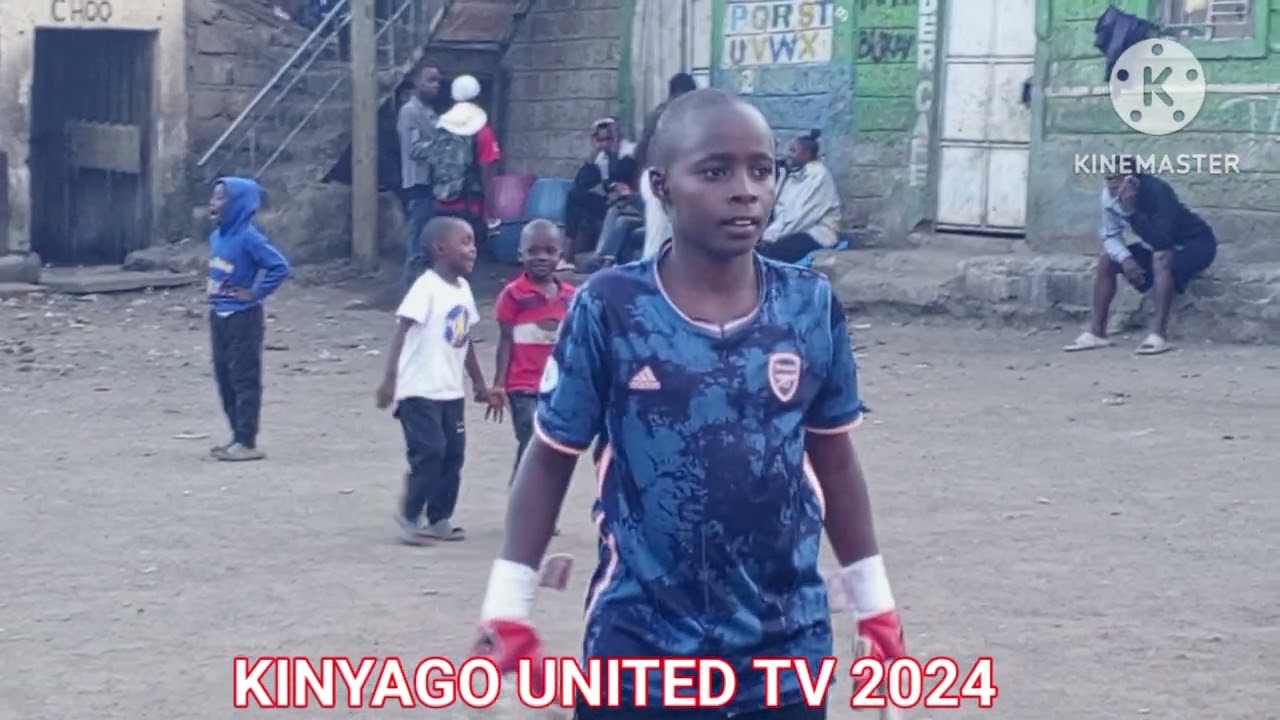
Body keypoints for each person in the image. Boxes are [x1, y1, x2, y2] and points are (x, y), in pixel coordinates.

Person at [473, 89, 905, 717]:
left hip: (785, 651)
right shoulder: (611, 308)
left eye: (762, 169)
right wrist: (507, 607)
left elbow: (834, 461)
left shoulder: (808, 306)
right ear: (661, 185)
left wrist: (877, 608)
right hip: (639, 653)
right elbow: (549, 457)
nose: (745, 190)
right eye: (714, 170)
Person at [376, 216, 503, 545]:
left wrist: (479, 385)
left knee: (453, 455)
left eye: (473, 242)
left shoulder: (463, 290)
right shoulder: (426, 288)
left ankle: (439, 517)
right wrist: (390, 381)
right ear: (440, 248)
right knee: (430, 452)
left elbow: (465, 340)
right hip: (419, 390)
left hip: (450, 392)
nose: (473, 249)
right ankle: (409, 515)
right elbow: (401, 331)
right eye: (465, 242)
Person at [1064, 165, 1217, 355]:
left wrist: (1132, 211)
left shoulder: (1159, 192)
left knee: (1161, 257)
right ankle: (1097, 332)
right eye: (1108, 178)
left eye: (1117, 179)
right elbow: (1110, 236)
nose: (1112, 184)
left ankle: (1158, 335)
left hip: (1195, 245)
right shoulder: (1109, 198)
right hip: (1158, 247)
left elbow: (1163, 239)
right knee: (1108, 261)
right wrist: (1126, 258)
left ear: (1132, 180)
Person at [206, 177, 291, 462]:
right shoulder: (217, 236)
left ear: (238, 205)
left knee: (244, 377)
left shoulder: (250, 238)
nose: (213, 203)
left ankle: (247, 440)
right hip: (218, 314)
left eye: (220, 198)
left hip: (243, 317)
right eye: (213, 197)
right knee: (224, 375)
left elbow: (279, 266)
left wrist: (255, 294)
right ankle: (235, 437)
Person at [493, 219, 576, 482]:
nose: (541, 257)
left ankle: (535, 505)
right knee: (531, 439)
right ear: (520, 254)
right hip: (523, 385)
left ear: (561, 256)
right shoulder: (513, 295)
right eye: (533, 251)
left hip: (557, 386)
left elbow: (575, 343)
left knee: (553, 445)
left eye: (549, 251)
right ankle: (523, 499)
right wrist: (498, 385)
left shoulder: (572, 297)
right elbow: (505, 341)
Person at [635, 72, 698, 259]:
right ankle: (651, 274)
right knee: (659, 233)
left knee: (665, 232)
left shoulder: (660, 113)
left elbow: (640, 151)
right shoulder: (678, 115)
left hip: (655, 176)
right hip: (661, 178)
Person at [756, 130, 843, 264]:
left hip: (817, 232)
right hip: (790, 229)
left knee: (774, 252)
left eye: (793, 151)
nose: (788, 155)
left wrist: (769, 238)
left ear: (806, 154)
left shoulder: (817, 175)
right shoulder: (791, 173)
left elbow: (800, 217)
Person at [434, 74, 501, 246]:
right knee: (468, 261)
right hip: (469, 208)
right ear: (478, 98)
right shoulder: (483, 132)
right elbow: (487, 175)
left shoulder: (440, 126)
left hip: (439, 205)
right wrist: (492, 214)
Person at [396, 63, 443, 293]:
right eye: (430, 81)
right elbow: (414, 148)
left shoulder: (430, 111)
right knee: (417, 241)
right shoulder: (410, 111)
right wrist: (442, 144)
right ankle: (409, 290)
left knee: (425, 239)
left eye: (438, 81)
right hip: (417, 182)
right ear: (417, 83)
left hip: (429, 183)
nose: (436, 86)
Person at [566, 118, 635, 255]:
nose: (604, 144)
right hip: (609, 201)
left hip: (629, 202)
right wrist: (593, 156)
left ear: (616, 137)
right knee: (574, 195)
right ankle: (568, 251)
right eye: (600, 140)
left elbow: (622, 178)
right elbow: (582, 183)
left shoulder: (629, 152)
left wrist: (614, 150)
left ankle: (595, 255)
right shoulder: (601, 157)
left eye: (608, 139)